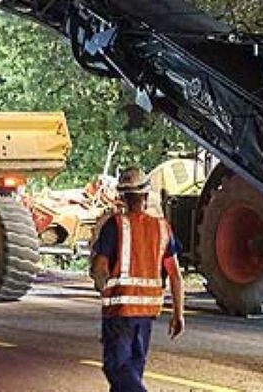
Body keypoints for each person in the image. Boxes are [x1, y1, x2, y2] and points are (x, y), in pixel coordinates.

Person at [89, 167, 185, 392]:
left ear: (122, 196)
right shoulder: (162, 228)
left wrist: (99, 280)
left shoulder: (114, 225)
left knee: (116, 368)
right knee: (131, 370)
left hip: (120, 314)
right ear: (145, 195)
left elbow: (100, 268)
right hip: (146, 315)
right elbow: (176, 276)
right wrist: (178, 314)